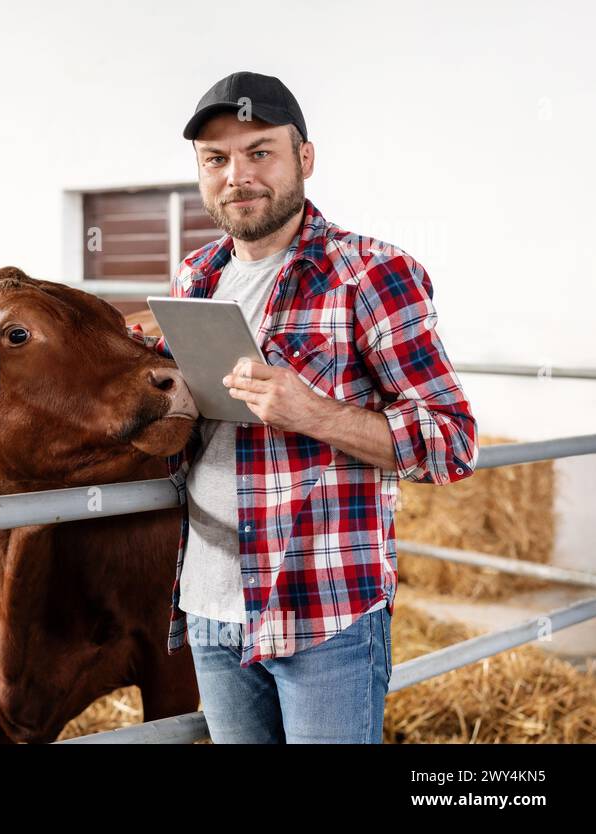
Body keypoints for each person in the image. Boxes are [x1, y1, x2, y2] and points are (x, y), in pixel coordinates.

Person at [145, 71, 478, 743]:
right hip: (211, 608)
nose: (237, 175)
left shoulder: (371, 273)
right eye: (216, 159)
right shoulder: (196, 277)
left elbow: (452, 443)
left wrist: (314, 413)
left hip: (322, 607)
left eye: (259, 151)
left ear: (305, 158)